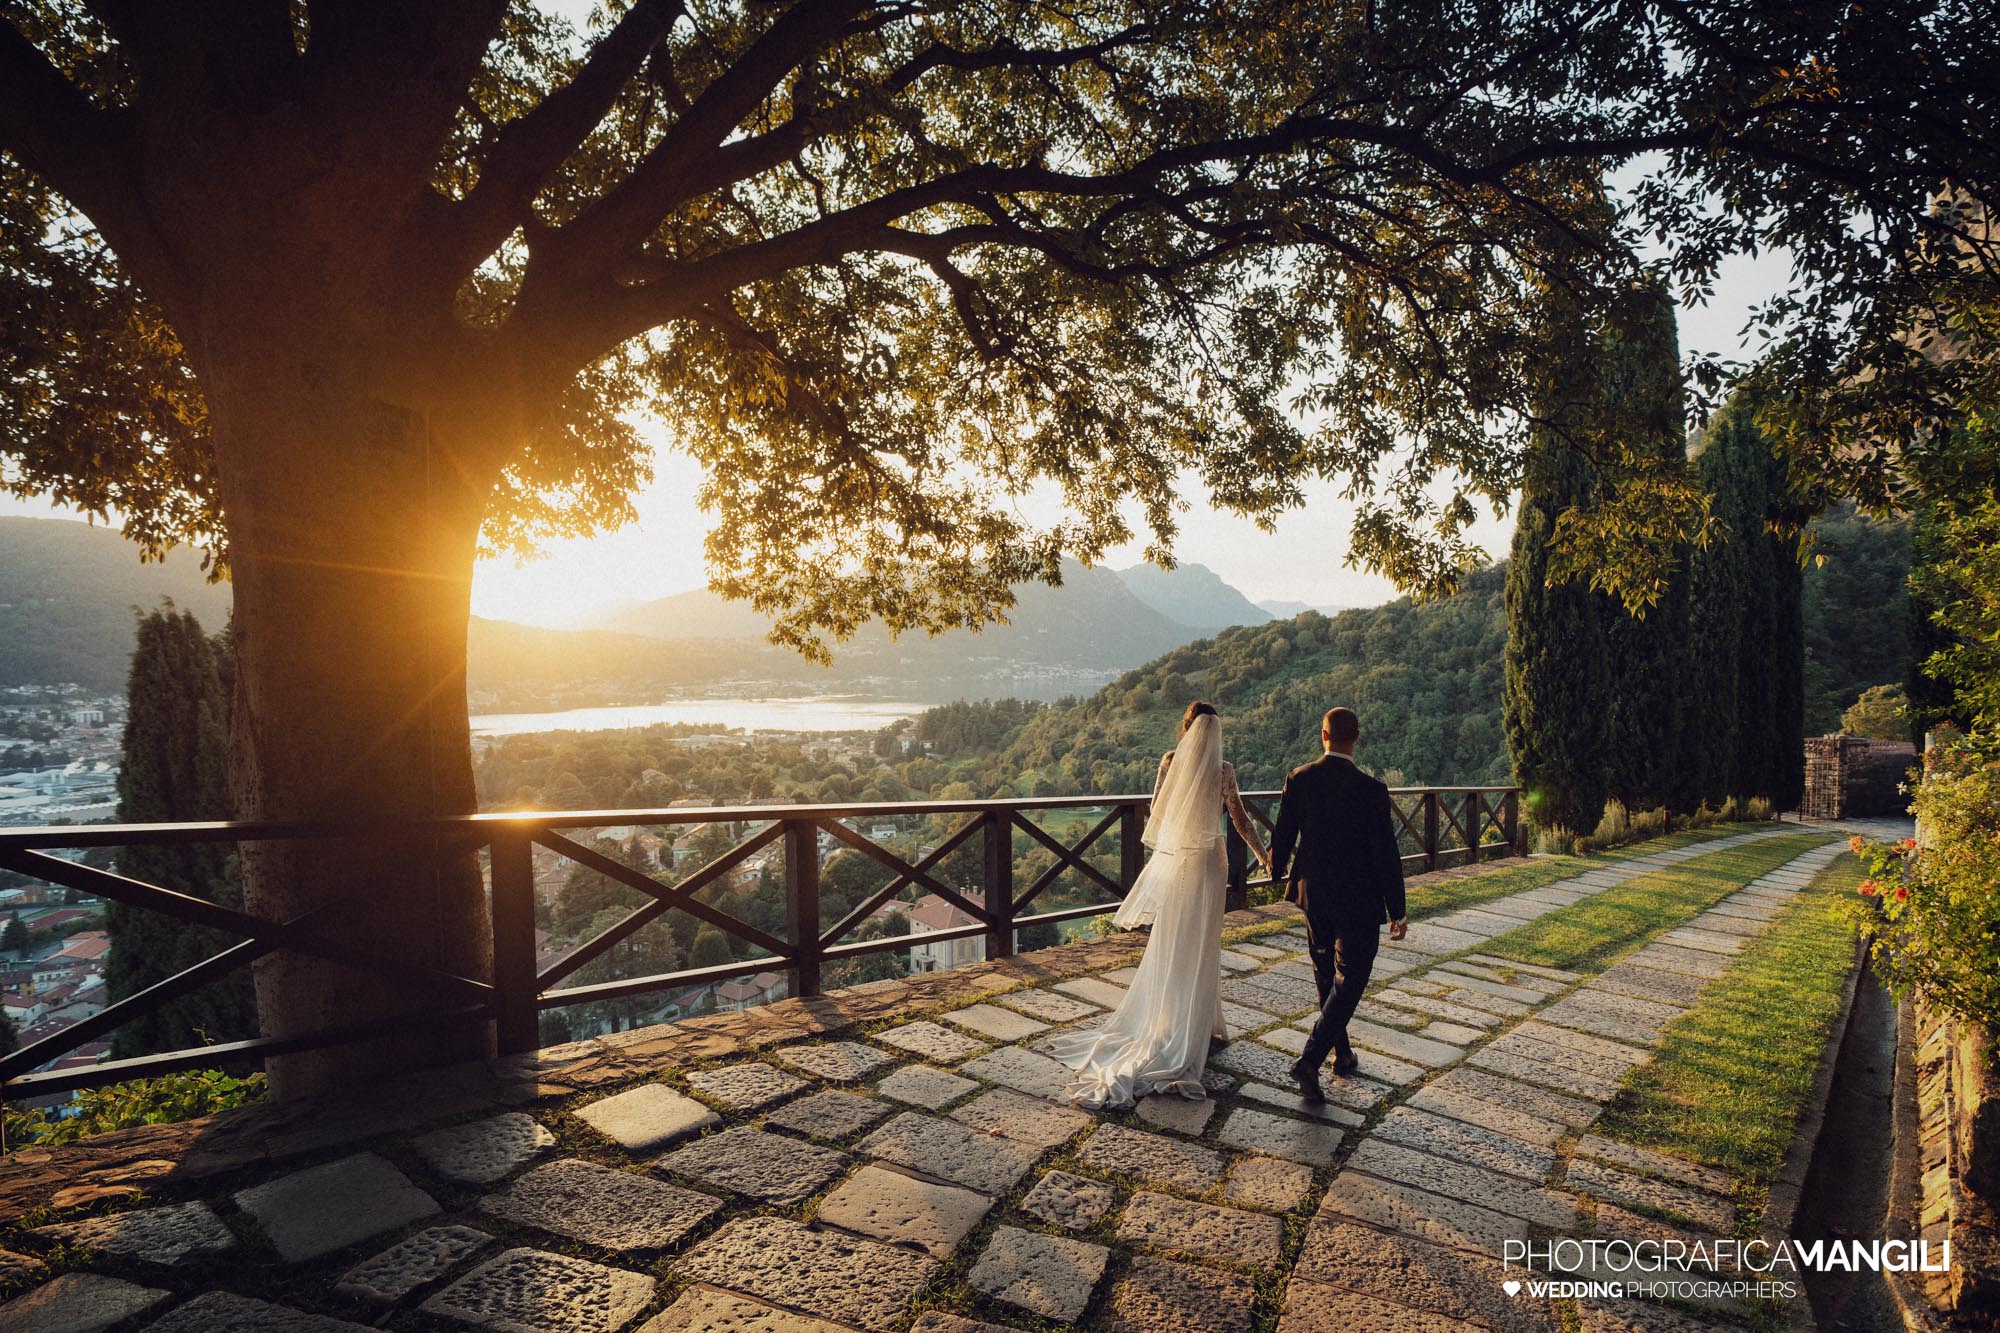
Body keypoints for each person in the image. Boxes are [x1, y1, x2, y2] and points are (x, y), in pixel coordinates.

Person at [1050, 701, 1270, 1108]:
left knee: (1174, 940)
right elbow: (1240, 820)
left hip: (1180, 860)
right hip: (1211, 862)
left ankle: (1171, 1020)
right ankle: (1198, 1025)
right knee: (1203, 943)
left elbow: (1157, 810)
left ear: (1185, 729)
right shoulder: (1223, 771)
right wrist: (1262, 853)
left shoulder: (1170, 762)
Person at [1270, 705, 1407, 1102]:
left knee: (1325, 971)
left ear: (1324, 735)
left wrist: (1276, 868)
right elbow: (1386, 854)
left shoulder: (1299, 778)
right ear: (1356, 738)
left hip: (1313, 893)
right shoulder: (1372, 790)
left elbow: (1283, 834)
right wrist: (1397, 909)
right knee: (1351, 976)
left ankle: (1342, 1053)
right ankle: (1310, 1059)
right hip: (1358, 897)